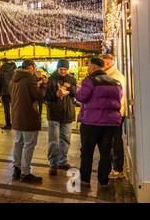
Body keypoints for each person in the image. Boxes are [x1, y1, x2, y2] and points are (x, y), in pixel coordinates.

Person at [76, 57, 122, 188]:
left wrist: (78, 90)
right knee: (106, 153)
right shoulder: (116, 82)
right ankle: (103, 181)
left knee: (87, 152)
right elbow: (119, 98)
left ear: (94, 66)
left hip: (91, 122)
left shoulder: (90, 81)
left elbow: (81, 97)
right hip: (110, 123)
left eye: (89, 66)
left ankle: (85, 180)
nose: (88, 68)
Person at [10, 60, 48, 183]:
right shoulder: (29, 78)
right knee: (29, 144)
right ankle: (25, 173)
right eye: (34, 66)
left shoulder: (14, 79)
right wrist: (43, 86)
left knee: (18, 142)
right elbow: (38, 96)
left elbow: (23, 93)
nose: (35, 69)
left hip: (17, 115)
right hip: (28, 115)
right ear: (30, 67)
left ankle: (17, 169)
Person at [45, 59, 77, 176]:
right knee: (54, 141)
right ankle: (53, 164)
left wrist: (69, 88)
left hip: (67, 114)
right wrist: (55, 94)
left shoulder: (71, 79)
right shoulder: (51, 79)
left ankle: (63, 161)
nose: (63, 71)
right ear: (57, 69)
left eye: (65, 69)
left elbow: (76, 93)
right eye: (61, 69)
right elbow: (46, 96)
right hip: (54, 114)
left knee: (66, 139)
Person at [99, 54, 127, 180]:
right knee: (111, 141)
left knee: (115, 141)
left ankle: (118, 169)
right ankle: (114, 168)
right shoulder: (108, 75)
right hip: (111, 113)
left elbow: (117, 98)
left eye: (103, 63)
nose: (101, 66)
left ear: (109, 63)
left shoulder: (115, 76)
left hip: (116, 113)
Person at [0, 59, 17, 130]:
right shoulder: (14, 68)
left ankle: (8, 125)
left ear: (3, 62)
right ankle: (16, 124)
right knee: (15, 108)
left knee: (6, 109)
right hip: (14, 91)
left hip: (4, 91)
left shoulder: (2, 68)